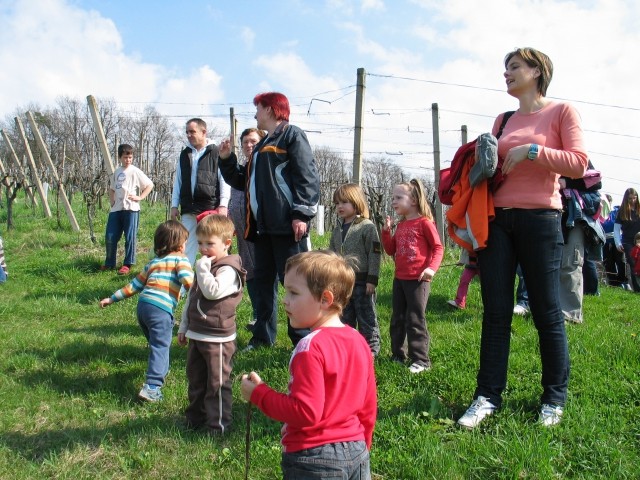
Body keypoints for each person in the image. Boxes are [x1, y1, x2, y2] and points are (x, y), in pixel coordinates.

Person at [457, 47, 588, 429]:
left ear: (537, 70)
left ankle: (554, 399)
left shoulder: (562, 112)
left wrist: (533, 151)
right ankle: (486, 396)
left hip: (541, 220)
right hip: (497, 220)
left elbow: (579, 163)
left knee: (547, 311)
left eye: (514, 67)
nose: (506, 74)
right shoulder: (503, 118)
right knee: (495, 313)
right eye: (505, 68)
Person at [240, 250, 377, 479]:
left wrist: (259, 394)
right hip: (357, 451)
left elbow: (306, 412)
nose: (285, 300)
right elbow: (368, 406)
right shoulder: (358, 341)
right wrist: (363, 446)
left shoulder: (310, 347)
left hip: (314, 460)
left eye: (293, 293)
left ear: (325, 299)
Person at [218, 92, 320, 350]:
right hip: (261, 229)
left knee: (295, 283)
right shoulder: (262, 147)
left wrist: (301, 214)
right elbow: (243, 181)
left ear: (272, 110)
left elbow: (306, 175)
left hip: (287, 226)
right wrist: (227, 159)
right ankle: (263, 337)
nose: (255, 114)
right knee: (263, 284)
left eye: (259, 109)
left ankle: (303, 339)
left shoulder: (292, 135)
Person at [100, 220, 194, 401]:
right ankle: (152, 387)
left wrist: (111, 298)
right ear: (178, 244)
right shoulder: (180, 260)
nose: (185, 246)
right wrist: (202, 294)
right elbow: (189, 282)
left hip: (143, 308)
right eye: (184, 242)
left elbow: (133, 286)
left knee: (158, 345)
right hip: (161, 310)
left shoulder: (154, 263)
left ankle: (160, 371)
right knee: (160, 346)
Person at [177, 214, 246, 434]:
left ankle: (219, 425)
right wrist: (183, 326)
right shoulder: (204, 267)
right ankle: (195, 418)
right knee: (196, 379)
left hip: (217, 337)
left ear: (226, 244)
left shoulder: (228, 269)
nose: (204, 249)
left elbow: (212, 291)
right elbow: (193, 297)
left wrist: (203, 269)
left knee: (217, 383)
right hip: (198, 333)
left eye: (210, 244)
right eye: (200, 243)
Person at [381, 179, 444, 374]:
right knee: (397, 317)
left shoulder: (425, 223)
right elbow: (391, 250)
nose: (394, 201)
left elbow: (438, 248)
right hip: (399, 278)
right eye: (392, 198)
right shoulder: (400, 226)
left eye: (398, 197)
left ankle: (421, 360)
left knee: (415, 318)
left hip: (418, 280)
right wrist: (386, 232)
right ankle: (398, 355)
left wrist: (431, 269)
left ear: (414, 200)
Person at [228, 127, 277, 331]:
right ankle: (258, 317)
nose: (249, 145)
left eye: (253, 141)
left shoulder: (265, 169)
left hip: (260, 236)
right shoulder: (242, 171)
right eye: (245, 142)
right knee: (250, 276)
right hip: (242, 237)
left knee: (264, 279)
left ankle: (265, 323)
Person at [329, 183, 382, 355]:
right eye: (337, 203)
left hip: (362, 283)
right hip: (343, 284)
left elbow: (374, 254)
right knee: (345, 319)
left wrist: (372, 279)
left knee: (367, 318)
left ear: (356, 202)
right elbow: (332, 254)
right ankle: (348, 350)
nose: (340, 206)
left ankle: (371, 350)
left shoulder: (367, 227)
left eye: (344, 202)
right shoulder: (337, 229)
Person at [170, 118, 231, 265]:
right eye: (187, 132)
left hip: (209, 209)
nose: (189, 135)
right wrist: (174, 205)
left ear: (204, 132)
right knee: (186, 245)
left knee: (214, 246)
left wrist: (223, 205)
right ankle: (185, 283)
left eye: (192, 132)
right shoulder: (185, 154)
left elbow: (224, 180)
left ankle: (220, 279)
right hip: (188, 208)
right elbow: (178, 181)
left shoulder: (216, 152)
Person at [102, 144, 154, 275]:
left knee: (130, 237)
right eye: (125, 157)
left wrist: (140, 197)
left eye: (130, 157)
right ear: (120, 157)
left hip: (131, 208)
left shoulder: (135, 171)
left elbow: (149, 185)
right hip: (117, 209)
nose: (128, 160)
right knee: (110, 236)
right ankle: (110, 263)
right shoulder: (117, 172)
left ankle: (127, 263)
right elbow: (112, 188)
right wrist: (112, 201)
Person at [614, 188, 640, 292]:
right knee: (633, 263)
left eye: (635, 198)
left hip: (639, 240)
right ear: (626, 199)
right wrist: (618, 243)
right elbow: (616, 229)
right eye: (630, 198)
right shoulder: (622, 211)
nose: (633, 200)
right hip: (628, 241)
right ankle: (637, 289)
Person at [602, 200, 629, 288]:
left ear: (610, 202)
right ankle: (613, 282)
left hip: (617, 241)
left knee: (620, 261)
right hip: (605, 241)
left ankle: (622, 281)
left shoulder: (616, 212)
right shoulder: (602, 213)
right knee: (608, 262)